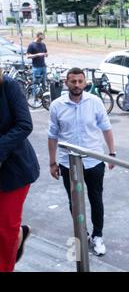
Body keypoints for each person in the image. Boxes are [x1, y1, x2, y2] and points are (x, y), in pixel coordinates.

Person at [48, 67, 116, 256]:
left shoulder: (95, 102)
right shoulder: (56, 105)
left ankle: (98, 235)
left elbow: (106, 128)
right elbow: (52, 136)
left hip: (94, 160)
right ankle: (82, 233)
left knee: (96, 199)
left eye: (80, 81)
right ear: (66, 83)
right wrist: (52, 162)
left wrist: (112, 153)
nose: (77, 85)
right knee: (74, 201)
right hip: (68, 162)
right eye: (73, 81)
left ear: (85, 82)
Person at [0, 70, 40, 272]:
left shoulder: (8, 85)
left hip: (14, 171)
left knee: (5, 229)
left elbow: (24, 124)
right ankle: (19, 235)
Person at [26, 32, 48, 104]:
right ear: (37, 36)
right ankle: (35, 100)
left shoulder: (43, 44)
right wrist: (37, 55)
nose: (42, 38)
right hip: (36, 67)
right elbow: (28, 56)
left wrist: (45, 54)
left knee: (44, 83)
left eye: (43, 36)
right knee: (36, 83)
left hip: (43, 66)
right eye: (41, 36)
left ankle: (43, 99)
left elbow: (46, 53)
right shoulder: (32, 45)